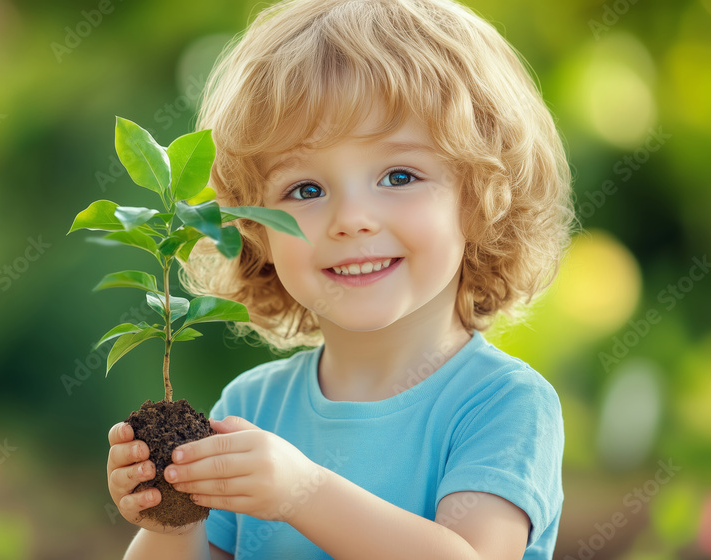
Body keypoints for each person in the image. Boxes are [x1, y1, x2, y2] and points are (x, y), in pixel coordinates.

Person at [106, 0, 574, 557]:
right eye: (306, 189)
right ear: (257, 230)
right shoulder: (253, 408)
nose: (352, 219)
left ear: (481, 200)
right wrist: (175, 517)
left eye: (399, 175)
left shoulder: (502, 405)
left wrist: (302, 493)